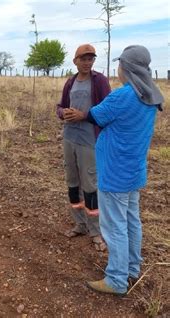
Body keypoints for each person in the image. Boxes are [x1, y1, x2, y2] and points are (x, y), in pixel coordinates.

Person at [70, 45, 164, 295]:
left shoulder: (124, 96)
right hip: (134, 172)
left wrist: (83, 113)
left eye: (120, 64)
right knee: (132, 221)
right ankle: (132, 268)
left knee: (114, 227)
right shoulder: (151, 95)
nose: (118, 69)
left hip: (115, 173)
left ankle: (116, 279)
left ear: (128, 68)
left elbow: (96, 116)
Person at [56, 44, 111, 251]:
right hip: (69, 137)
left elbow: (108, 109)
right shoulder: (70, 82)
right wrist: (64, 114)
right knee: (72, 182)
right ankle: (79, 223)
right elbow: (59, 107)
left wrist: (84, 116)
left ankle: (95, 231)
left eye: (91, 59)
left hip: (89, 140)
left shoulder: (100, 81)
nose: (88, 62)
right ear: (75, 61)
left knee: (90, 185)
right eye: (84, 59)